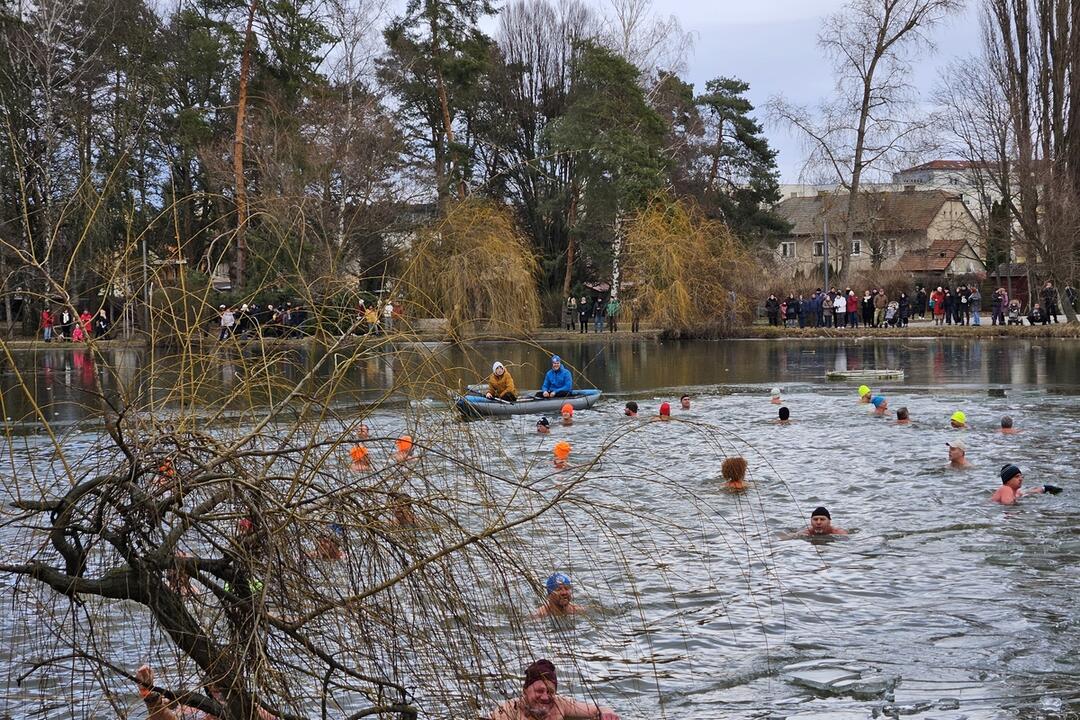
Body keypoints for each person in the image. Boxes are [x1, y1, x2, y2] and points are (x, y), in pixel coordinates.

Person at [134, 664, 277, 720]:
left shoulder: (254, 709)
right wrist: (149, 695)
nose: (218, 691)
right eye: (213, 687)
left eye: (222, 687)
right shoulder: (193, 708)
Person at [489, 659, 619, 720]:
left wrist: (607, 713)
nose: (545, 697)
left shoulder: (560, 704)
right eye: (539, 691)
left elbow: (597, 709)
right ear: (525, 691)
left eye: (550, 692)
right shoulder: (509, 710)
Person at [991, 464, 1061, 504]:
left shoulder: (1017, 492)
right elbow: (1008, 505)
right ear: (1008, 480)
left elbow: (1030, 492)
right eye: (1017, 477)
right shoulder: (1006, 489)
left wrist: (1045, 488)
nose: (1021, 479)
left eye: (1021, 476)